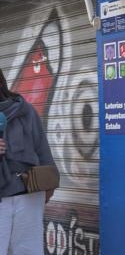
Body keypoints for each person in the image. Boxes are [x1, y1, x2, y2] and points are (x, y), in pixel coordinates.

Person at [0, 68, 57, 254]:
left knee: (28, 250)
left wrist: (49, 186)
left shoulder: (25, 111)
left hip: (28, 194)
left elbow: (42, 149)